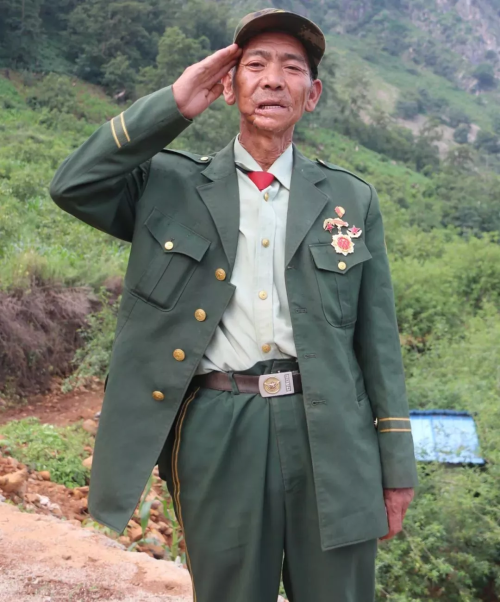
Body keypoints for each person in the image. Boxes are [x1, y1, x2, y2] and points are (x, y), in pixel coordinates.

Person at [50, 8, 418, 602]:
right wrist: (174, 105)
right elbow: (73, 184)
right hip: (220, 425)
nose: (273, 79)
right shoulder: (168, 185)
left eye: (291, 67)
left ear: (312, 95)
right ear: (228, 85)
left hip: (333, 433)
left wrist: (397, 467)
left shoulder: (351, 198)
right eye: (256, 64)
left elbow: (378, 343)